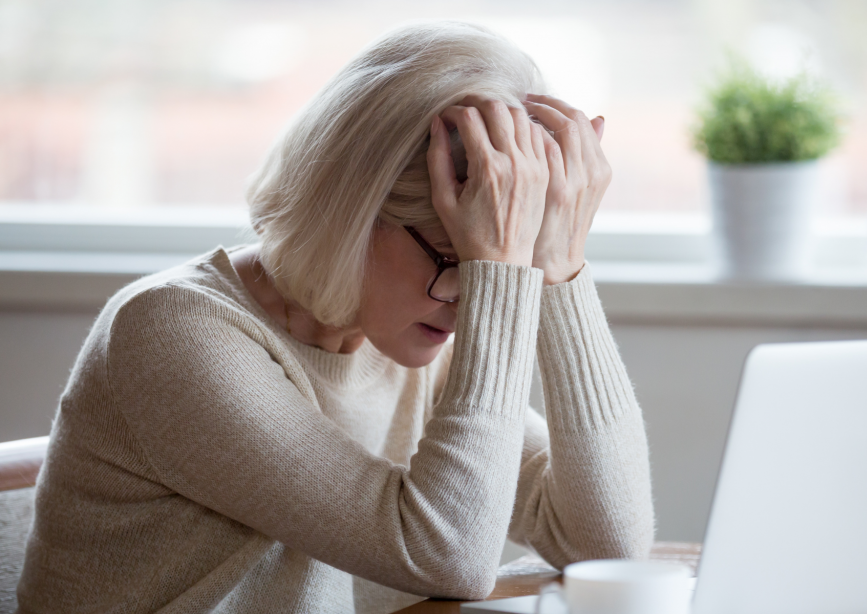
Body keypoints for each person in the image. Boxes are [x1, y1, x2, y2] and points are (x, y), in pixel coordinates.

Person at [16, 21, 654, 614]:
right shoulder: (172, 333)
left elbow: (607, 548)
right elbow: (448, 557)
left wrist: (561, 268)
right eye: (460, 262)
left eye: (495, 269)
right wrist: (501, 279)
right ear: (354, 212)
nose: (472, 305)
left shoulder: (401, 335)